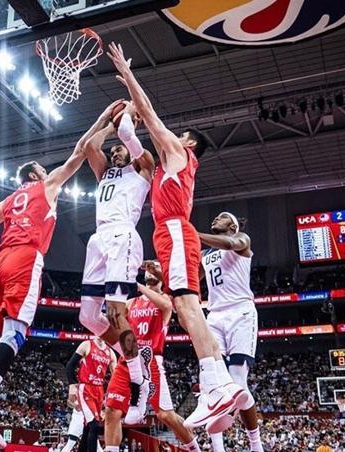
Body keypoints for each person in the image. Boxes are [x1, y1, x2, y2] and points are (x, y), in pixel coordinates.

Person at [0, 100, 120, 451]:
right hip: (24, 258)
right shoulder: (46, 186)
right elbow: (81, 150)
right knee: (15, 334)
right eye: (41, 168)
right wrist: (106, 119)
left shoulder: (7, 202)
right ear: (35, 176)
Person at [106, 42, 248, 432]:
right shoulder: (172, 164)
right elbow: (136, 129)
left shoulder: (178, 152)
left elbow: (149, 114)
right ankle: (217, 384)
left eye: (180, 134)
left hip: (174, 230)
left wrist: (128, 74)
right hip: (169, 232)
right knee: (187, 309)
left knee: (186, 307)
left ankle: (217, 385)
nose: (174, 134)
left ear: (188, 142)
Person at [79, 100, 155, 423]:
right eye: (114, 151)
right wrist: (106, 122)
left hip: (124, 235)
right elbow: (86, 146)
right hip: (98, 240)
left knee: (114, 310)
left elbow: (128, 136)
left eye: (120, 150)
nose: (115, 152)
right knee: (88, 316)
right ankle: (129, 357)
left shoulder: (144, 167)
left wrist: (128, 119)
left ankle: (140, 379)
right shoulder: (104, 173)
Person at [103, 263, 200, 452]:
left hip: (151, 360)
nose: (149, 271)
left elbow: (165, 306)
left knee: (165, 415)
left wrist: (137, 285)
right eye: (147, 268)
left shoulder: (166, 299)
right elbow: (114, 317)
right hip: (127, 360)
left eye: (154, 267)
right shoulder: (132, 303)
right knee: (111, 410)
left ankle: (195, 448)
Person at [198, 212, 262, 452]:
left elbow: (230, 243)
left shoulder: (241, 239)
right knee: (213, 381)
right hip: (214, 316)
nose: (215, 218)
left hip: (240, 313)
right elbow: (191, 278)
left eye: (222, 217)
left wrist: (195, 235)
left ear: (232, 225)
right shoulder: (206, 255)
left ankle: (256, 444)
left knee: (238, 383)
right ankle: (218, 447)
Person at [63, 338, 116, 452]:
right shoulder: (87, 345)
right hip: (85, 387)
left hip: (99, 390)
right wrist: (72, 385)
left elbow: (116, 377)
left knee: (88, 428)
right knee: (94, 425)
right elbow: (70, 366)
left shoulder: (110, 352)